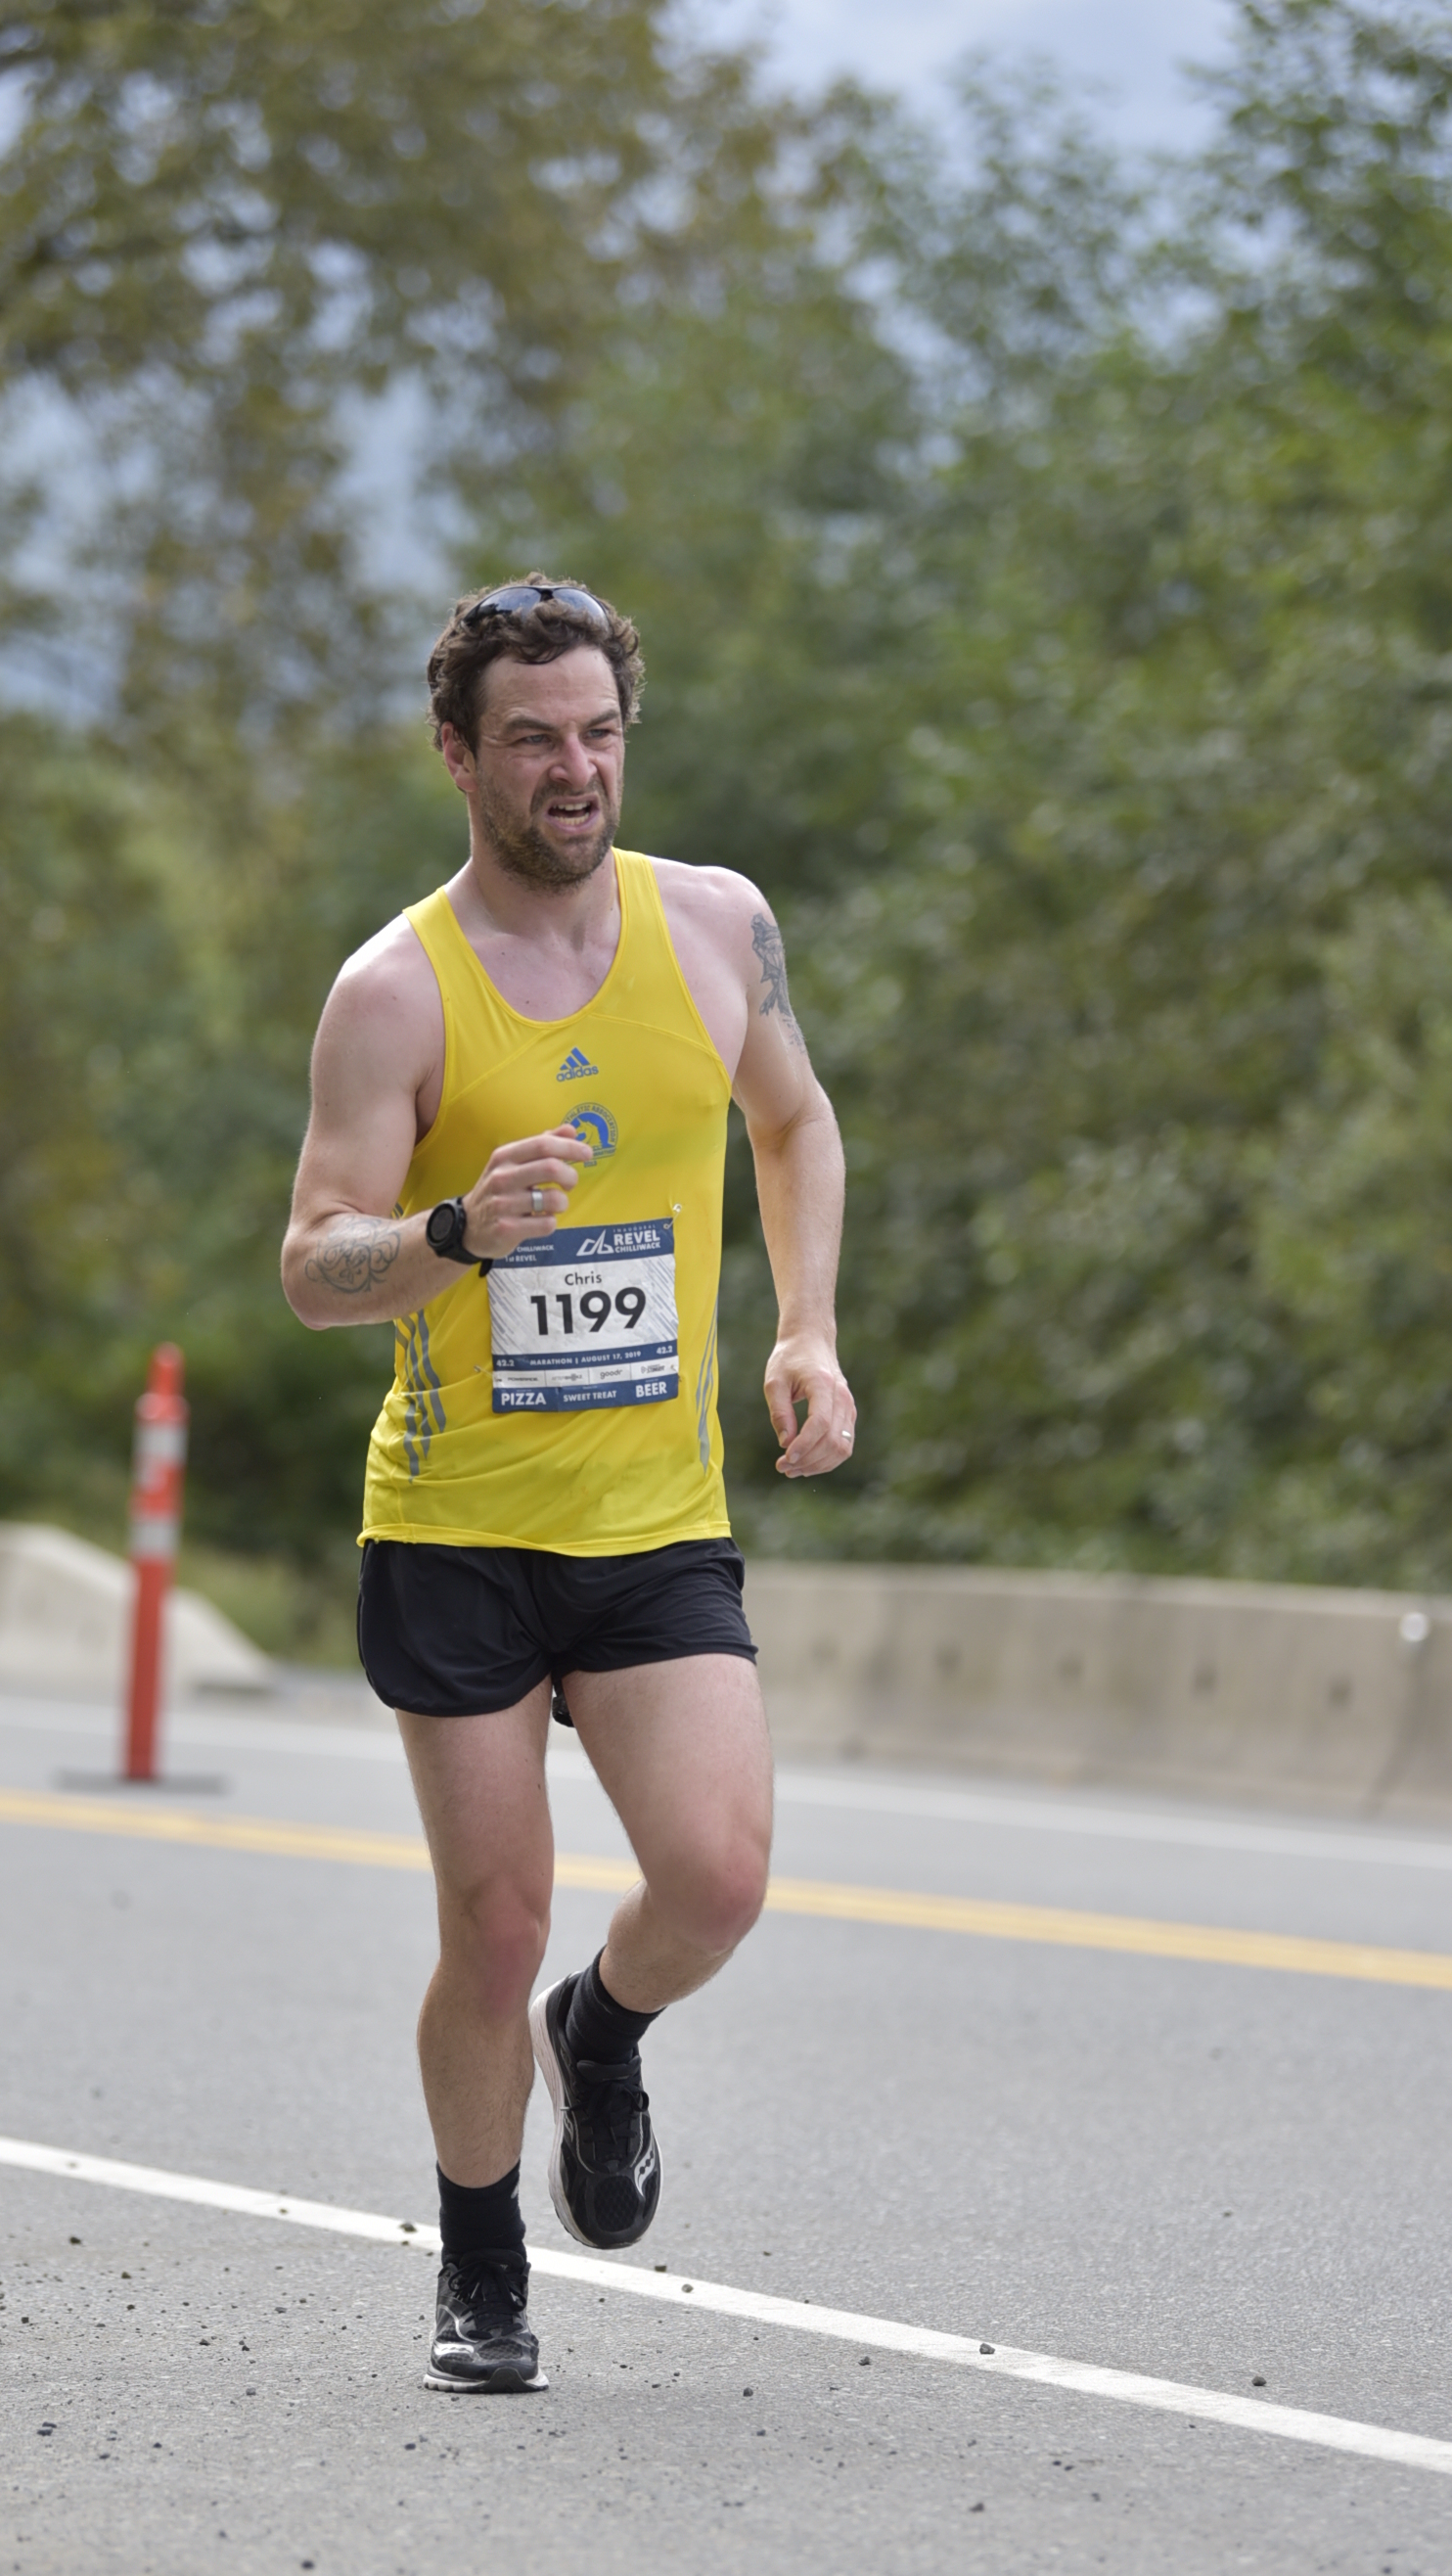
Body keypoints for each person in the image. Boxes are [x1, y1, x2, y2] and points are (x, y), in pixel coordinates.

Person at [281, 575, 853, 2392]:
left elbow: (793, 1119)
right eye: (532, 739)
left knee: (718, 1880)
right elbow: (313, 1265)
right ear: (459, 756)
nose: (575, 769)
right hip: (457, 1525)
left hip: (652, 1516)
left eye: (599, 732)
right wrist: (451, 1232)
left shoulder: (719, 927)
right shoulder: (394, 992)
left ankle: (597, 2035)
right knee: (493, 1917)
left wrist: (807, 1330)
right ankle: (480, 2262)